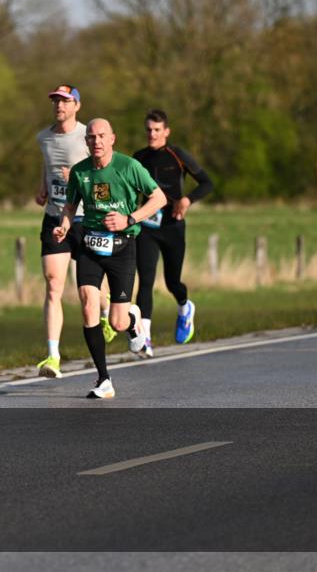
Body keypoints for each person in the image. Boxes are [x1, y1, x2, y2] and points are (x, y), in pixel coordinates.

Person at [53, 119, 166, 399]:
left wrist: (130, 218)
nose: (96, 141)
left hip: (122, 246)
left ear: (112, 139)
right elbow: (69, 206)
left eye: (102, 136)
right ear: (86, 141)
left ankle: (131, 318)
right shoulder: (80, 172)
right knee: (89, 304)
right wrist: (64, 225)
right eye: (91, 137)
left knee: (116, 322)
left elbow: (159, 198)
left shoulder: (129, 167)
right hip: (90, 244)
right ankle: (103, 379)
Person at [133, 109, 213, 355]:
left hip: (173, 226)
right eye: (148, 129)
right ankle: (145, 338)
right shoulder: (139, 157)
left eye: (157, 130)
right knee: (145, 281)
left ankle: (184, 306)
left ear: (166, 131)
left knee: (172, 282)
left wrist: (187, 201)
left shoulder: (177, 155)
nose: (152, 134)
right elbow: (131, 192)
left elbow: (207, 183)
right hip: (147, 226)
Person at [33, 84, 96, 379]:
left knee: (88, 291)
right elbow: (47, 164)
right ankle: (53, 356)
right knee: (54, 284)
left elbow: (101, 171)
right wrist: (43, 185)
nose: (59, 105)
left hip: (84, 219)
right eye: (55, 101)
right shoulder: (43, 137)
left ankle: (109, 313)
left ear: (77, 106)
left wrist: (78, 177)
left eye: (65, 101)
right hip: (54, 217)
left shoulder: (87, 136)